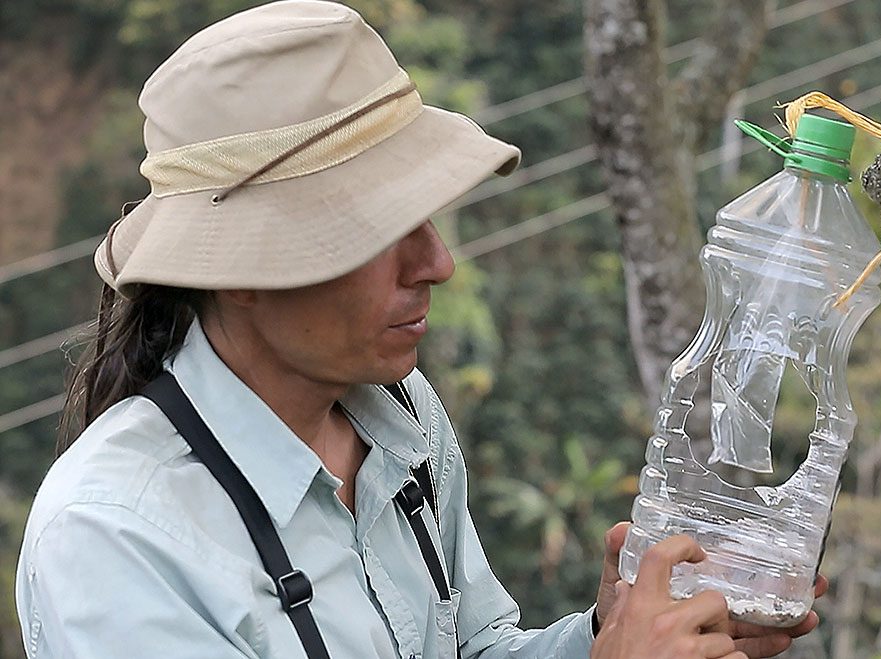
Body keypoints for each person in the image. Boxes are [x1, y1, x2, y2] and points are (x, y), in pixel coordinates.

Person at [15, 2, 825, 657]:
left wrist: (607, 632)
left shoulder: (399, 416)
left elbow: (473, 648)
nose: (435, 261)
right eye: (376, 228)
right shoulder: (115, 538)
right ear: (237, 270)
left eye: (426, 215)